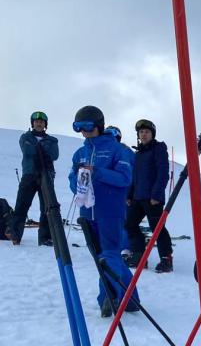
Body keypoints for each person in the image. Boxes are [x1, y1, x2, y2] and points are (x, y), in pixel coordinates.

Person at [69, 105, 139, 316]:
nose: (84, 131)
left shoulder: (119, 150)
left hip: (110, 211)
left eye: (88, 126)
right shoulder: (80, 153)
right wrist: (78, 182)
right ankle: (132, 299)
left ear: (99, 125)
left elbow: (124, 178)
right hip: (87, 213)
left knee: (109, 254)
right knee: (104, 257)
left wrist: (97, 172)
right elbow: (72, 181)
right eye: (79, 127)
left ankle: (109, 297)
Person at [125, 119, 173, 273]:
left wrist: (157, 195)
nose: (144, 134)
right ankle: (139, 256)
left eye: (147, 132)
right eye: (141, 132)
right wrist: (129, 195)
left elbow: (163, 173)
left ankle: (166, 259)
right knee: (130, 224)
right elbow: (135, 177)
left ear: (152, 134)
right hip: (138, 197)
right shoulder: (139, 154)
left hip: (152, 198)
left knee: (157, 228)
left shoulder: (158, 149)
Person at [7, 112, 59, 246]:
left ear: (45, 124)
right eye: (36, 121)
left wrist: (37, 149)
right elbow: (27, 151)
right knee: (22, 205)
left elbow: (54, 155)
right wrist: (43, 151)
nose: (39, 124)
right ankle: (15, 234)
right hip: (29, 175)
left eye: (41, 122)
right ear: (32, 123)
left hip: (46, 175)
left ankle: (45, 238)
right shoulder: (25, 137)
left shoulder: (52, 140)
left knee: (46, 207)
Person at [104, 126, 134, 259]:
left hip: (123, 191)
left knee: (122, 221)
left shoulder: (125, 151)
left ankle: (126, 248)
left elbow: (134, 171)